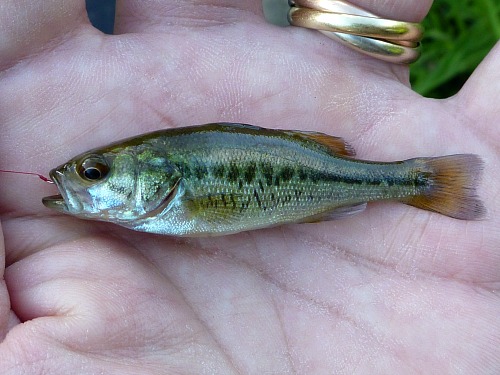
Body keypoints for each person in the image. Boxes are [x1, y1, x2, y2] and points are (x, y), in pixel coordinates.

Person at [0, 1, 499, 373]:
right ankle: (415, 179)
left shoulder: (178, 195)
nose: (81, 179)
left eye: (96, 172)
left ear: (155, 171)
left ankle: (418, 179)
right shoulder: (166, 194)